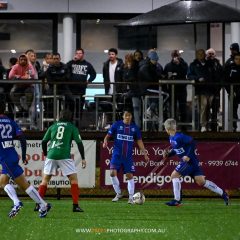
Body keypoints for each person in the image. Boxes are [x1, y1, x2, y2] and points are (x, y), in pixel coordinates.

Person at [0, 101, 51, 218]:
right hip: (11, 155)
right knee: (3, 181)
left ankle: (23, 204)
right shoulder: (10, 122)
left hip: (5, 158)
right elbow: (22, 138)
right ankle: (43, 205)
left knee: (25, 185)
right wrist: (23, 155)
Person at [163, 118, 229, 206]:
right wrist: (169, 154)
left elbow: (193, 142)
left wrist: (188, 155)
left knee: (174, 175)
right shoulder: (171, 138)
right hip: (193, 162)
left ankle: (177, 200)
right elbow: (177, 150)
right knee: (201, 182)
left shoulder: (180, 136)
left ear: (167, 129)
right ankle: (223, 194)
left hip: (188, 162)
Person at [35, 109, 86, 212]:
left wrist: (46, 154)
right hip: (64, 156)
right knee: (73, 180)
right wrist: (83, 158)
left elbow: (44, 141)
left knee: (45, 180)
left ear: (59, 116)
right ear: (70, 117)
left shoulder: (53, 126)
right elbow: (79, 143)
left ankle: (38, 204)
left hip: (51, 155)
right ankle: (75, 205)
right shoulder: (72, 127)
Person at [103, 109, 149, 204]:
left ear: (131, 116)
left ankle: (131, 197)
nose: (128, 117)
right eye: (126, 115)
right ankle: (119, 193)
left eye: (130, 115)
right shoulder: (116, 125)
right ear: (123, 116)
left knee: (129, 175)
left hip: (127, 156)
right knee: (112, 173)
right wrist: (105, 141)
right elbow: (108, 135)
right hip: (117, 154)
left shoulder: (134, 128)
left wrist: (144, 153)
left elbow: (139, 141)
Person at [67, 48, 96, 115]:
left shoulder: (87, 64)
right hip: (71, 89)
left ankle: (78, 124)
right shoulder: (71, 63)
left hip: (81, 89)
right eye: (77, 53)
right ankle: (70, 123)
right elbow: (65, 68)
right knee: (70, 108)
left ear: (83, 54)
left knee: (79, 108)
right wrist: (72, 61)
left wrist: (89, 80)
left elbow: (93, 74)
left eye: (80, 53)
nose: (78, 55)